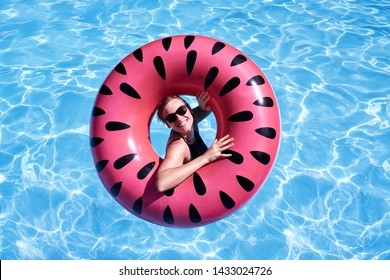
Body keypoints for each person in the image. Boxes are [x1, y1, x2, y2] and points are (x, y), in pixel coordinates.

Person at [155, 91, 234, 192]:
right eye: (171, 118)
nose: (179, 118)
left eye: (181, 110)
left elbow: (210, 107)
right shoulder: (179, 146)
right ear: (168, 124)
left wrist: (202, 106)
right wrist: (205, 157)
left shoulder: (190, 122)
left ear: (189, 109)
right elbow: (162, 183)